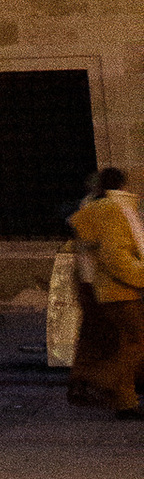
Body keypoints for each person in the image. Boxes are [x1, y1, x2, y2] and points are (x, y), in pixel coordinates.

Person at [68, 166, 144, 416]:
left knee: (120, 343)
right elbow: (117, 254)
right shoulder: (116, 209)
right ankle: (101, 379)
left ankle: (125, 402)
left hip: (101, 286)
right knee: (136, 343)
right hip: (122, 288)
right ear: (122, 185)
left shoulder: (93, 207)